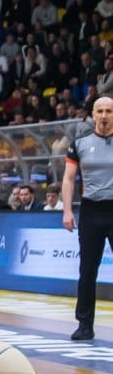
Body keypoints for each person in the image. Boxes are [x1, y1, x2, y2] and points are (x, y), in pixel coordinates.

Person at [62, 93, 113, 341]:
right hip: (91, 211)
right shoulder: (80, 143)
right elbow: (68, 178)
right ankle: (84, 325)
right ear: (92, 115)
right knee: (87, 270)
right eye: (99, 111)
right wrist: (67, 210)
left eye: (109, 111)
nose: (104, 115)